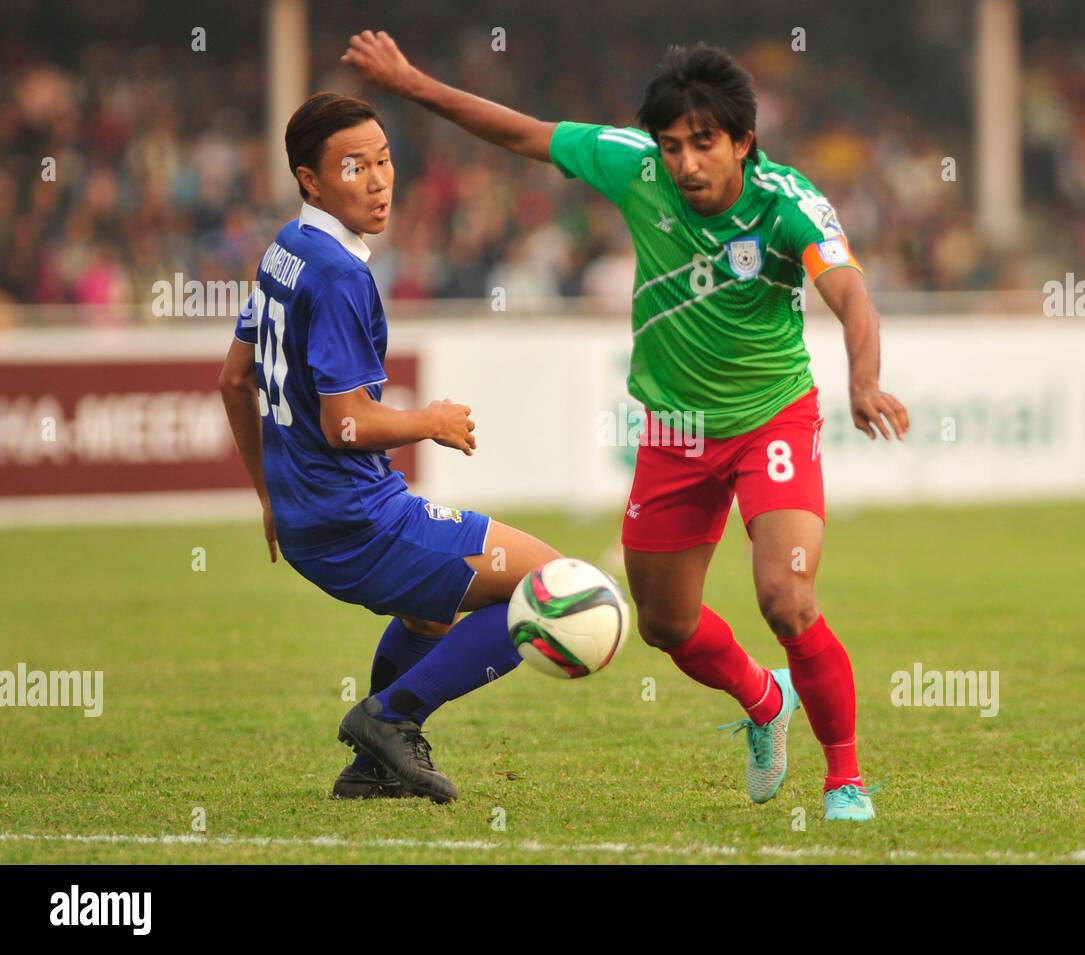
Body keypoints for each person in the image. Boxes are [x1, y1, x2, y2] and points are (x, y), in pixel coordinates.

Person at [343, 31, 910, 821]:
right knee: (665, 624)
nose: (685, 163)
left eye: (704, 144)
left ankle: (844, 779)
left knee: (786, 595)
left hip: (771, 420)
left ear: (744, 141)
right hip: (674, 431)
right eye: (672, 145)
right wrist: (410, 83)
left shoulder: (787, 202)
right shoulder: (633, 165)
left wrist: (866, 376)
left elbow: (851, 292)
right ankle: (762, 700)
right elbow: (521, 131)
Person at [217, 92, 559, 803]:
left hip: (313, 521)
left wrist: (267, 494)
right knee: (550, 590)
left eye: (384, 160)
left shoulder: (287, 248)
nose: (377, 181)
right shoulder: (342, 274)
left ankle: (373, 766)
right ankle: (391, 717)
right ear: (311, 179)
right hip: (360, 519)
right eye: (354, 167)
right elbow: (347, 424)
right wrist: (428, 419)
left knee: (431, 613)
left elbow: (231, 377)